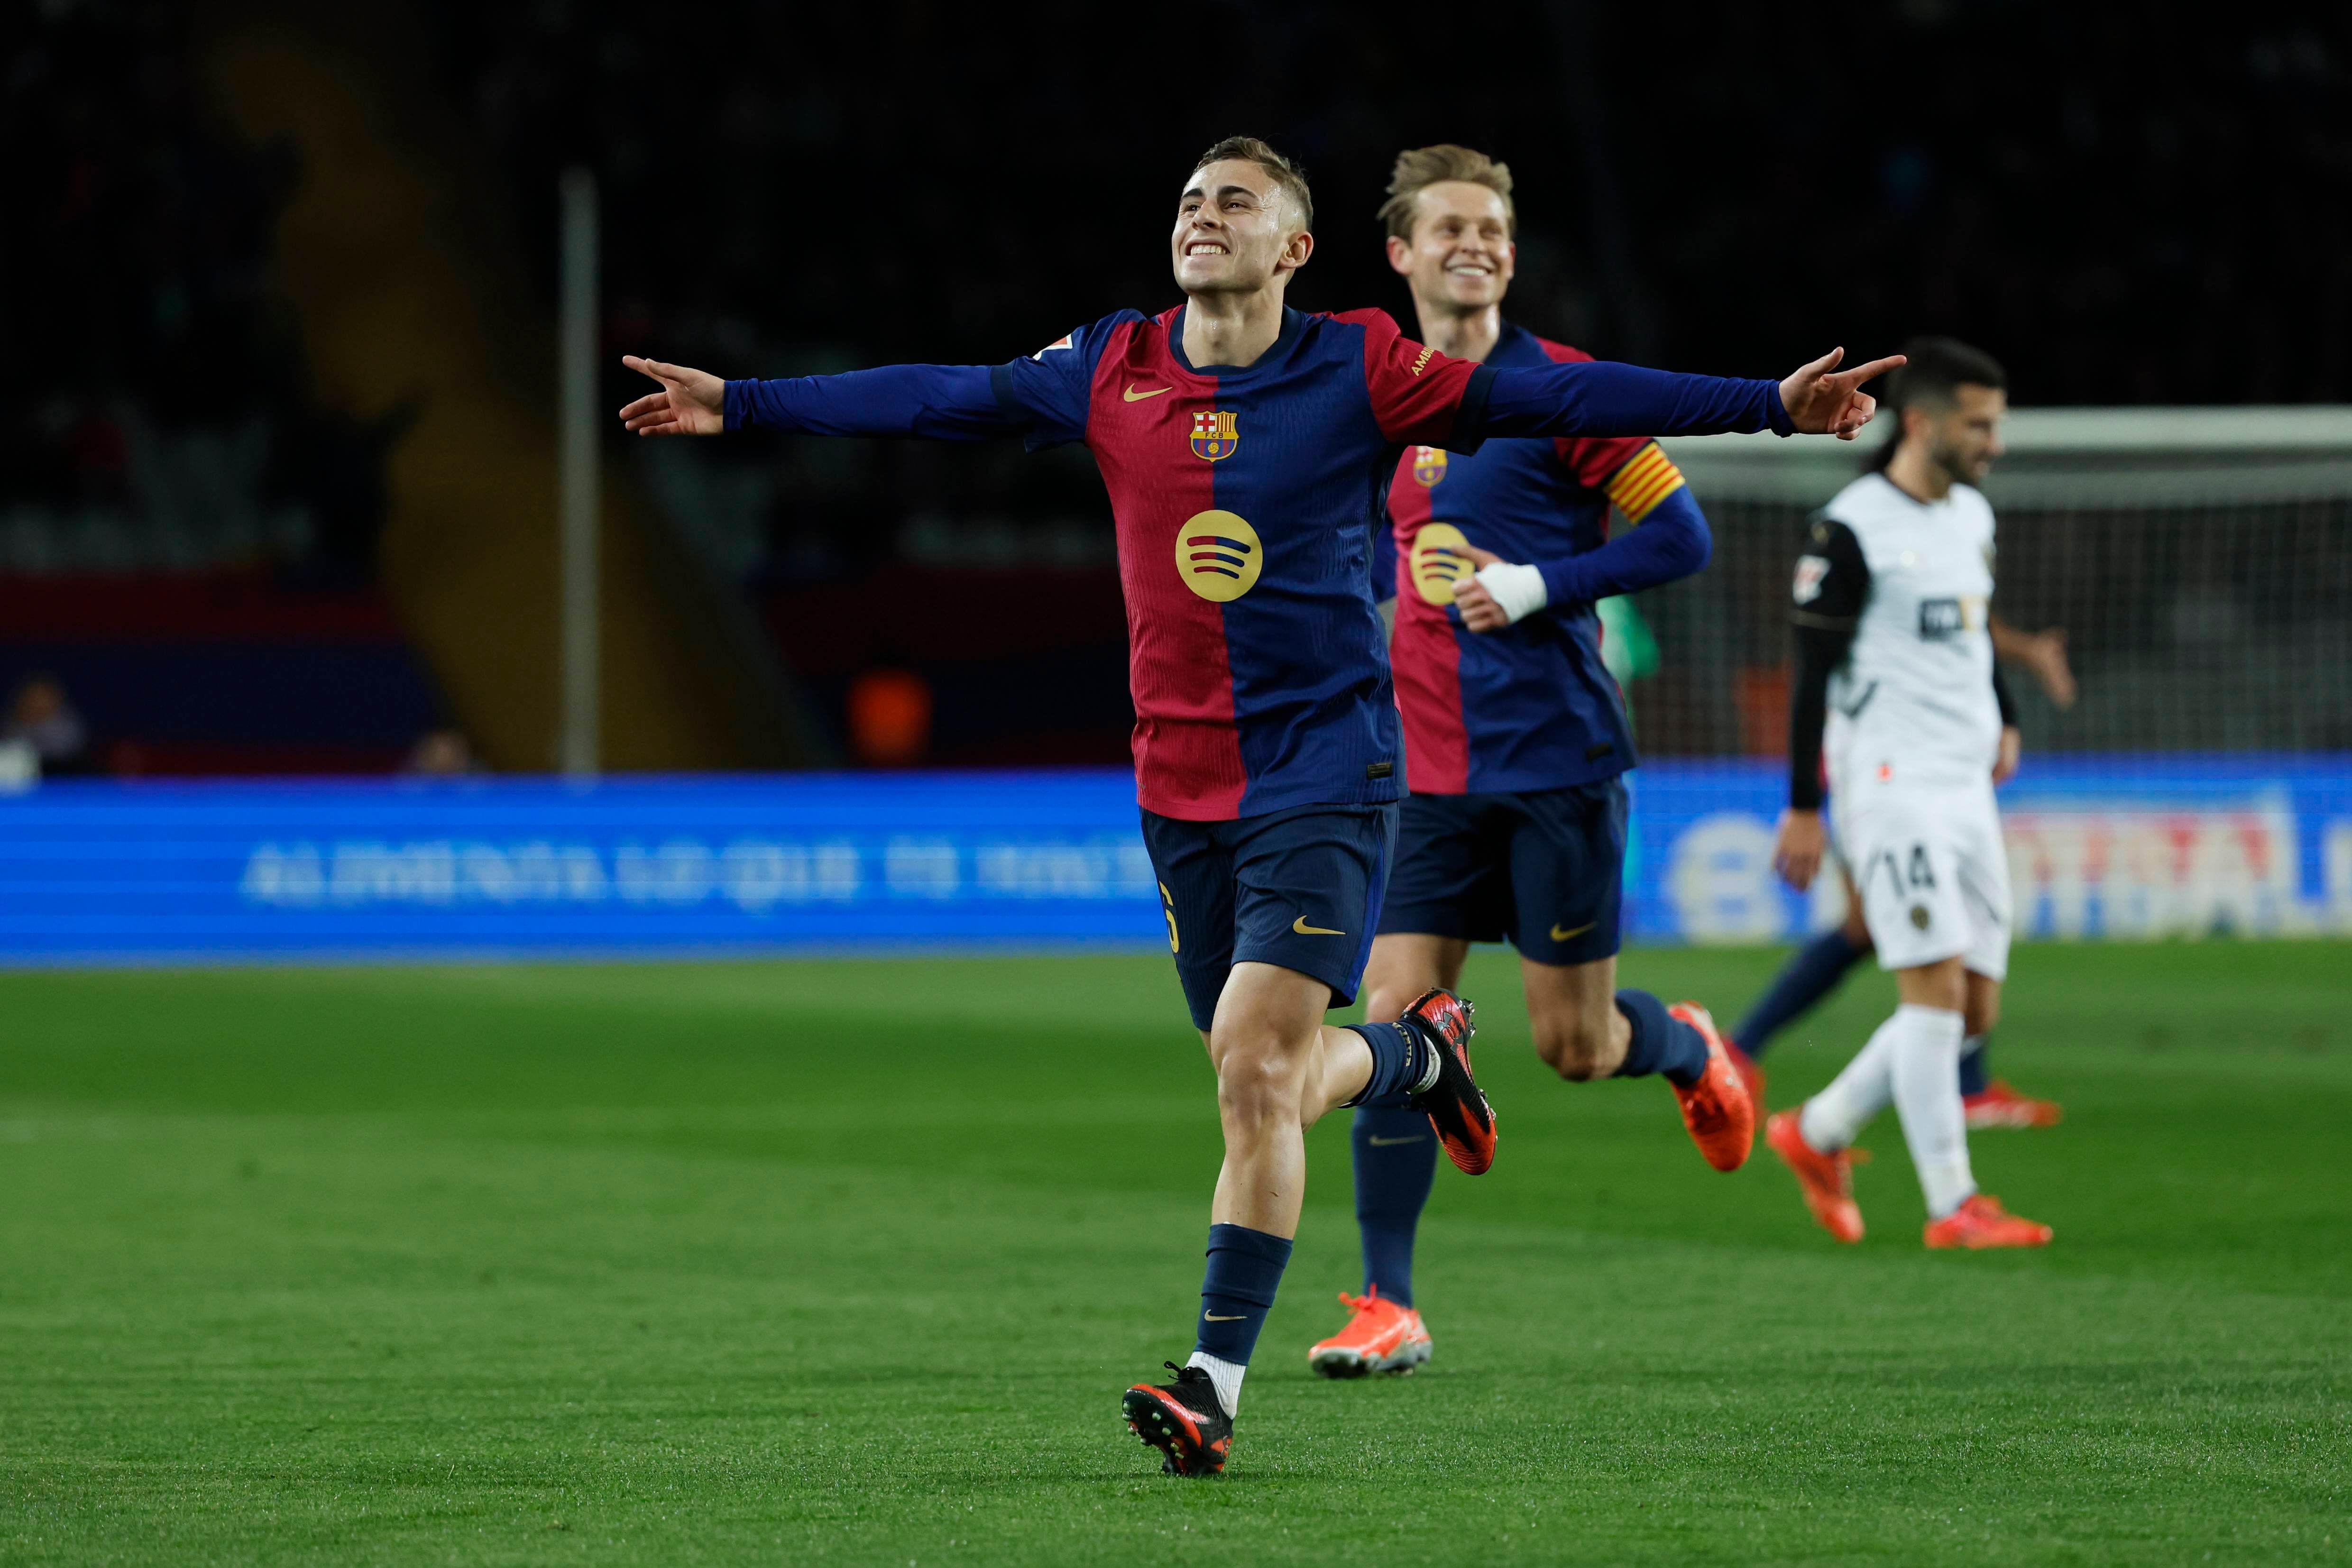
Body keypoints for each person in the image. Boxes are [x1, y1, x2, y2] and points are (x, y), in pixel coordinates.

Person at [618, 136, 1898, 1472]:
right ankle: (1416, 1056)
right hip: (1179, 786)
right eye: (1187, 199)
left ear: (1295, 248)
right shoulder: (1112, 364)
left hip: (1329, 774)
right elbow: (942, 396)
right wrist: (746, 405)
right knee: (1267, 1080)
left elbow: (1559, 407)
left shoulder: (1362, 367)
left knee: (1259, 1069)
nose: (1201, 216)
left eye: (1235, 202)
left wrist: (1765, 400)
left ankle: (1214, 1382)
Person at [1306, 146, 1755, 1381]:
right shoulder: (1369, 403)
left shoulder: (1565, 391)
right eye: (1449, 225)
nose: (1476, 244)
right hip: (1419, 773)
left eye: (1494, 227)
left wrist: (1546, 581)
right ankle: (1384, 1301)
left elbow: (1682, 534)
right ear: (1399, 253)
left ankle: (1686, 1045)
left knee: (1576, 1041)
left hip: (1557, 759)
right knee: (1389, 1013)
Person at [1763, 337, 2054, 1250]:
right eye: (1979, 425)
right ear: (1921, 422)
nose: (1992, 443)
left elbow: (1968, 629)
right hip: (1889, 782)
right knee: (1931, 991)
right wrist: (1805, 804)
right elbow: (1810, 676)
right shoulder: (1850, 527)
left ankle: (1815, 1132)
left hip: (1965, 782)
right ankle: (1954, 1204)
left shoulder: (1968, 514)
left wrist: (2002, 713)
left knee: (1972, 1008)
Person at [1726, 604, 2075, 1130]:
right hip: (1878, 766)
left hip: (1915, 763)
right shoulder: (1869, 551)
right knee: (1925, 928)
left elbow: (1959, 615)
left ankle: (1746, 1051)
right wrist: (1803, 805)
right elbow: (1942, 619)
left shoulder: (1946, 547)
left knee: (1874, 927)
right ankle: (1933, 1100)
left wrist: (2015, 674)